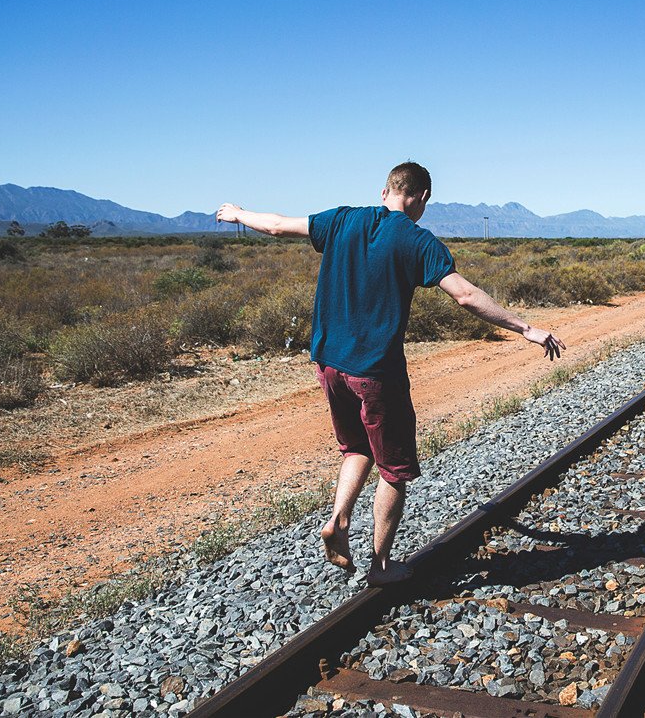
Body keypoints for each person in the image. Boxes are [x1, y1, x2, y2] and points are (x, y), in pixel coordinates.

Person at [215, 162, 565, 586]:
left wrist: (237, 213)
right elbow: (467, 296)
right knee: (394, 470)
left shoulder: (342, 219)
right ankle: (381, 567)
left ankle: (339, 522)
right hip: (376, 372)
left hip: (329, 365)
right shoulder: (418, 241)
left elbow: (274, 226)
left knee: (355, 448)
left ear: (385, 191)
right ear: (421, 198)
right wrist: (527, 329)